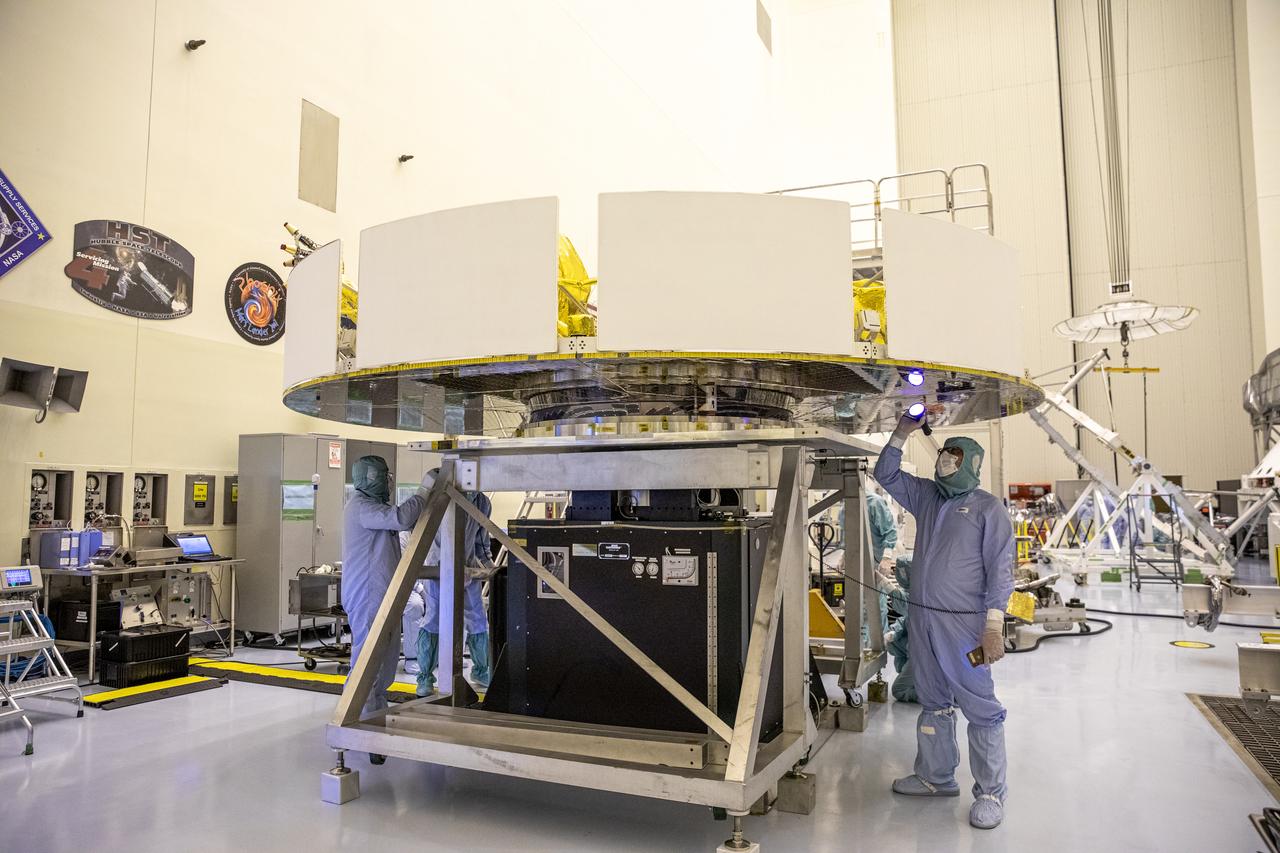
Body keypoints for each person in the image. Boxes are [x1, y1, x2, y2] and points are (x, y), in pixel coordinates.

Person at [873, 414, 1014, 831]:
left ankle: (990, 792)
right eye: (944, 454)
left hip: (965, 626)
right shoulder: (927, 497)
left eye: (954, 456)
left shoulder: (989, 509)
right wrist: (902, 432)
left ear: (970, 463)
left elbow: (1001, 571)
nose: (945, 462)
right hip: (924, 620)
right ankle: (936, 777)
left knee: (980, 706)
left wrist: (993, 626)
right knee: (933, 700)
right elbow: (885, 472)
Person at [342, 455, 430, 763]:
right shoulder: (361, 508)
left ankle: (374, 725)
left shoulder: (372, 507)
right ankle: (355, 726)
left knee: (385, 663)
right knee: (368, 663)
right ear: (370, 479)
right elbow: (402, 518)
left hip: (384, 597)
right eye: (384, 477)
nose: (388, 482)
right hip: (368, 598)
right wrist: (425, 490)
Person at [414, 469, 495, 696]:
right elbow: (421, 532)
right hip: (437, 571)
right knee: (433, 620)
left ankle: (481, 670)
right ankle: (425, 677)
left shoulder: (481, 502)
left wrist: (488, 567)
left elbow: (481, 539)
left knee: (478, 620)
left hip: (468, 571)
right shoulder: (439, 496)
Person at [881, 556, 916, 703]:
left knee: (899, 691)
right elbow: (906, 619)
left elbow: (907, 606)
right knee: (893, 642)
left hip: (924, 654)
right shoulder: (914, 589)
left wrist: (887, 585)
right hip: (914, 647)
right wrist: (894, 632)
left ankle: (935, 695)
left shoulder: (923, 594)